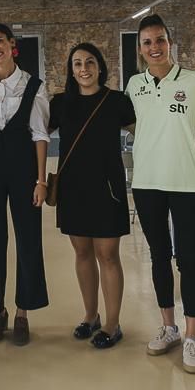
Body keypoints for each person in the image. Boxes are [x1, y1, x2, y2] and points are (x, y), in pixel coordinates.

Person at [125, 14, 195, 374]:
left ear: (170, 42)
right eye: (147, 42)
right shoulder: (135, 85)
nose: (154, 47)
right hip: (146, 182)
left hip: (186, 183)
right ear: (140, 49)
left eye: (160, 40)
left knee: (187, 259)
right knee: (159, 257)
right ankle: (169, 326)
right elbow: (135, 122)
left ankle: (193, 336)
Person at [48, 43, 135, 348]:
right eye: (77, 64)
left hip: (107, 188)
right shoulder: (60, 103)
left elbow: (147, 133)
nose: (84, 69)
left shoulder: (117, 101)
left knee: (107, 255)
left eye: (89, 62)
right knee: (82, 253)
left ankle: (112, 324)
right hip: (73, 188)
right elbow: (34, 132)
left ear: (100, 66)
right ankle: (90, 316)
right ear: (71, 71)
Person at [0, 23, 49, 346]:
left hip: (23, 168)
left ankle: (22, 313)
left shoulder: (34, 86)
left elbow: (41, 135)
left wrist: (41, 180)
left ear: (12, 44)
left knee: (28, 238)